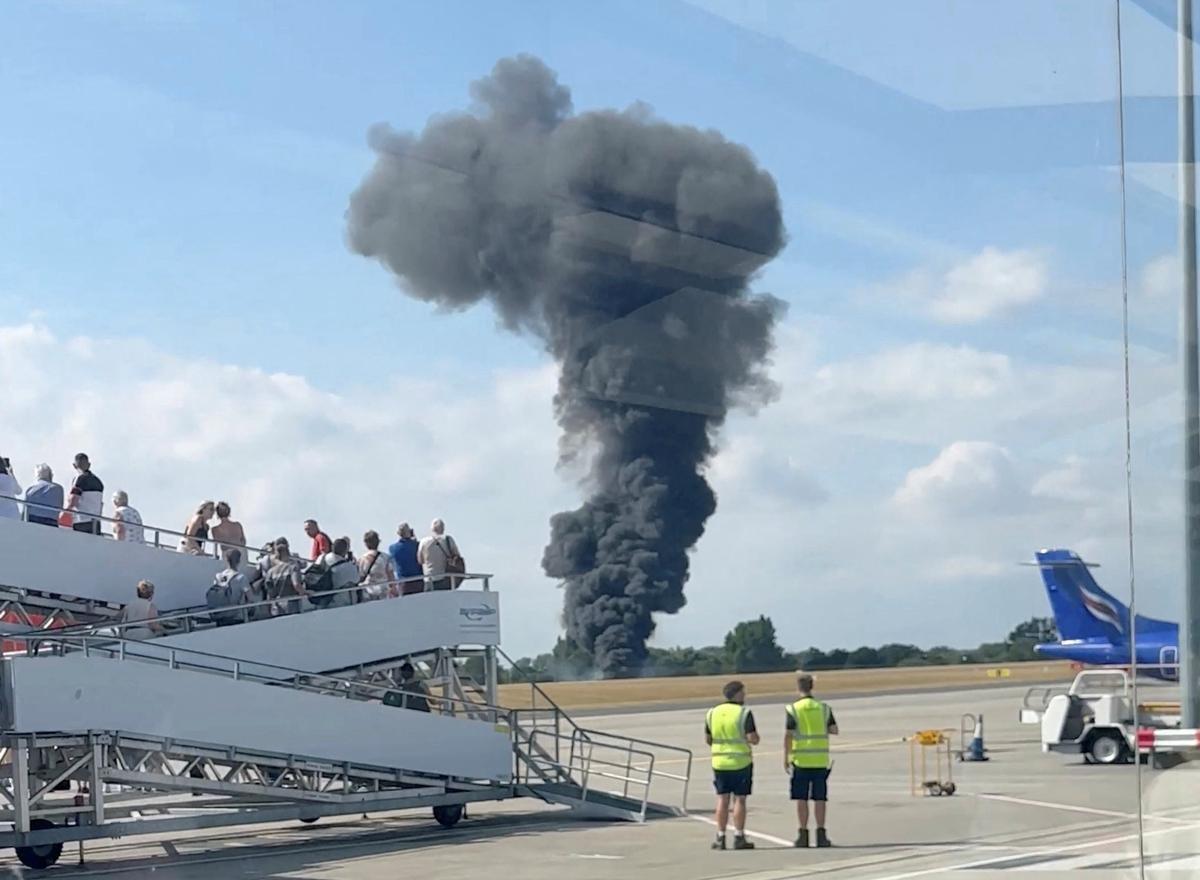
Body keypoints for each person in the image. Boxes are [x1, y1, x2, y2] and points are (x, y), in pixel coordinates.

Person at [784, 673, 839, 849]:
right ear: (812, 687)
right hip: (820, 760)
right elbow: (834, 729)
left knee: (801, 798)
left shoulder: (793, 709)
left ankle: (803, 834)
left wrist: (785, 757)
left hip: (800, 760)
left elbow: (788, 735)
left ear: (798, 688)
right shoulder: (823, 708)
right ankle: (821, 834)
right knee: (820, 799)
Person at [706, 680, 759, 851]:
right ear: (737, 694)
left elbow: (708, 739)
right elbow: (752, 738)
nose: (744, 695)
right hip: (740, 762)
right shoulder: (744, 713)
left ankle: (720, 837)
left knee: (722, 799)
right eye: (743, 692)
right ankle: (739, 836)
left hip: (719, 762)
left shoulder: (712, 713)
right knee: (740, 799)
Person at [308, 536, 359, 607]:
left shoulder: (321, 558)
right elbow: (356, 580)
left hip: (319, 598)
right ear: (346, 551)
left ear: (332, 547)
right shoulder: (347, 567)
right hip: (337, 603)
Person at [208, 548, 251, 625]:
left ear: (226, 560)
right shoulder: (241, 578)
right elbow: (251, 599)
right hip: (235, 617)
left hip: (219, 616)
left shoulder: (218, 576)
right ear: (239, 561)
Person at [417, 519, 463, 591]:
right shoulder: (448, 539)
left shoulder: (423, 542)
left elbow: (420, 560)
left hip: (429, 578)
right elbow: (457, 556)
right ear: (443, 528)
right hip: (445, 578)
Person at [264, 537, 306, 615]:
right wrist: (306, 592)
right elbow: (296, 585)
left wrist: (268, 610)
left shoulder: (270, 572)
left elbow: (270, 594)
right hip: (291, 606)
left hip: (276, 608)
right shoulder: (293, 567)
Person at [66, 453, 104, 534]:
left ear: (74, 465)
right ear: (89, 464)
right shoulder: (98, 481)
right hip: (96, 522)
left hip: (81, 521)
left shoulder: (79, 479)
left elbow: (74, 500)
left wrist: (64, 512)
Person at [359, 530, 398, 600]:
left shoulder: (362, 559)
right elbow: (390, 574)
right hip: (383, 591)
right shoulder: (385, 557)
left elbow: (360, 575)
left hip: (368, 591)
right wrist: (393, 587)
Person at [388, 523, 423, 596]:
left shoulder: (392, 548)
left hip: (403, 584)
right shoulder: (417, 545)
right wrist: (414, 537)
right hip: (418, 582)